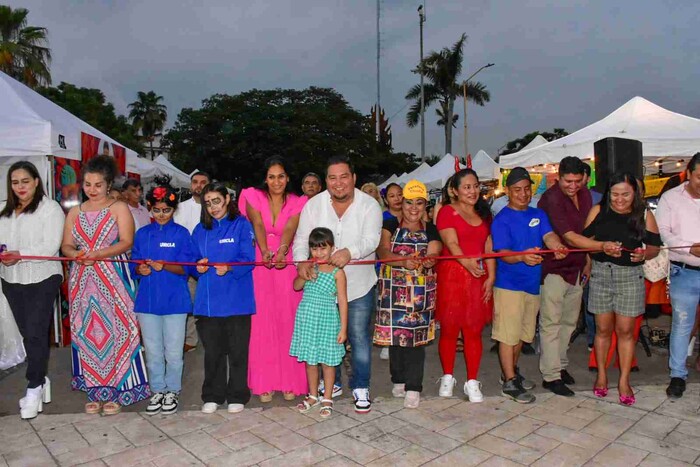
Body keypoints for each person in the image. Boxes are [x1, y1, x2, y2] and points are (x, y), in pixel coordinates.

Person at [293, 155, 382, 413]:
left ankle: (361, 386)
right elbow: (301, 239)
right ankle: (334, 384)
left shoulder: (369, 205)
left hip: (358, 286)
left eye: (344, 177)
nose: (338, 183)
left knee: (358, 337)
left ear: (354, 178)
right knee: (326, 338)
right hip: (321, 290)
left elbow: (371, 240)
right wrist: (302, 262)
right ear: (326, 181)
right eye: (332, 178)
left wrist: (349, 252)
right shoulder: (314, 205)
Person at [61, 155, 149, 415]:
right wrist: (74, 254)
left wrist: (98, 254)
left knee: (119, 330)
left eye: (98, 184)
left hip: (114, 276)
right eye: (87, 184)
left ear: (108, 184)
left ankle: (120, 390)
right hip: (83, 280)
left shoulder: (118, 208)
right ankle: (94, 389)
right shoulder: (75, 211)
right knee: (88, 331)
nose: (92, 189)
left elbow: (127, 242)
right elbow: (66, 244)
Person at [582, 172, 660, 406]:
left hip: (630, 276)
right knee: (603, 329)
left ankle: (624, 380)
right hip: (601, 274)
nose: (619, 199)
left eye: (625, 194)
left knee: (626, 331)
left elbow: (655, 247)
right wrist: (602, 248)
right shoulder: (598, 211)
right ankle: (602, 375)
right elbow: (585, 243)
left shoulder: (644, 214)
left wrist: (643, 254)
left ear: (635, 193)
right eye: (614, 194)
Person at [491, 168, 567, 404]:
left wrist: (557, 246)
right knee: (507, 336)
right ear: (507, 192)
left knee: (523, 335)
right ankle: (509, 381)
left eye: (526, 189)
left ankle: (511, 372)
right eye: (517, 190)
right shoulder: (501, 219)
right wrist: (522, 256)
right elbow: (503, 254)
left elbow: (549, 236)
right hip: (509, 286)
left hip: (532, 285)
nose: (523, 194)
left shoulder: (538, 214)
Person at [239, 156, 308, 402]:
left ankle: (291, 382)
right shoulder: (251, 195)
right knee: (262, 323)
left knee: (289, 320)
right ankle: (263, 382)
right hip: (261, 262)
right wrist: (265, 248)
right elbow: (257, 222)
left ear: (288, 178)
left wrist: (282, 249)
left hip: (285, 262)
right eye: (271, 176)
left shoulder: (299, 201)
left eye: (281, 176)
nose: (276, 181)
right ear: (265, 179)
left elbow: (290, 228)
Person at [0, 161, 64, 420]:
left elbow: (50, 245)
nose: (20, 187)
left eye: (25, 181)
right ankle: (41, 379)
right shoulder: (4, 211)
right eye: (15, 182)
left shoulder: (51, 209)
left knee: (37, 333)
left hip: (43, 277)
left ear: (37, 181)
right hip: (11, 278)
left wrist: (20, 255)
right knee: (29, 335)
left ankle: (34, 385)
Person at [536, 157, 602, 396]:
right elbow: (571, 237)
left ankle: (560, 366)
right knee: (551, 322)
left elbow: (587, 232)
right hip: (553, 269)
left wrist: (588, 260)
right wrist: (602, 247)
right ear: (558, 177)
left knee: (569, 323)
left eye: (577, 181)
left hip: (576, 268)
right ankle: (551, 375)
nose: (573, 186)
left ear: (584, 178)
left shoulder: (585, 195)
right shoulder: (551, 199)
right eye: (568, 181)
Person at [131, 186, 198, 416]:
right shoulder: (141, 234)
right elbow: (133, 266)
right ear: (150, 207)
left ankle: (173, 390)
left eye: (167, 210)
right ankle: (157, 389)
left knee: (173, 350)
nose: (161, 214)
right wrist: (140, 269)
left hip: (175, 301)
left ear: (173, 210)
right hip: (147, 302)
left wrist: (165, 266)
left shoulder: (181, 234)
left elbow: (189, 269)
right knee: (152, 350)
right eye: (157, 210)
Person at [374, 180, 441, 408]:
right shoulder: (390, 225)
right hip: (392, 293)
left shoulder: (431, 229)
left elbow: (435, 250)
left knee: (416, 342)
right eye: (409, 202)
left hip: (421, 293)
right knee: (395, 339)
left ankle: (414, 387)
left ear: (425, 205)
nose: (414, 208)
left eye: (419, 203)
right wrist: (402, 261)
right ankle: (398, 379)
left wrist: (428, 259)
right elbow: (383, 251)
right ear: (401, 203)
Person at [192, 182, 256, 414]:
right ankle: (213, 395)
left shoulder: (241, 225)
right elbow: (191, 261)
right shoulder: (199, 230)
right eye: (208, 203)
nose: (212, 207)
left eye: (216, 201)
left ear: (227, 200)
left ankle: (237, 394)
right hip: (208, 302)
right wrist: (197, 267)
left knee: (238, 351)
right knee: (213, 353)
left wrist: (229, 267)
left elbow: (248, 258)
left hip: (237, 299)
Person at [436, 169, 495, 403]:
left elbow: (489, 248)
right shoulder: (447, 212)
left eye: (475, 186)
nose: (472, 191)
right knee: (450, 329)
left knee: (473, 331)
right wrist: (467, 262)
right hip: (453, 276)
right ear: (455, 190)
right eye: (467, 187)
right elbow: (451, 243)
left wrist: (491, 277)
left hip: (478, 276)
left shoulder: (484, 214)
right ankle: (447, 377)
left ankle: (472, 381)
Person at [290, 227, 348, 418]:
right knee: (310, 361)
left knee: (328, 362)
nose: (319, 253)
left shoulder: (338, 272)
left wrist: (343, 328)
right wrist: (303, 274)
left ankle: (327, 398)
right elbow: (296, 286)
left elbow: (342, 301)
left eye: (323, 248)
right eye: (314, 249)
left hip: (327, 320)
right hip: (307, 319)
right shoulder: (309, 267)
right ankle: (313, 395)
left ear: (332, 248)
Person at [657, 153, 700, 399]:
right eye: (699, 177)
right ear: (688, 174)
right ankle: (677, 374)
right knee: (682, 325)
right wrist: (689, 247)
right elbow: (664, 234)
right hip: (685, 271)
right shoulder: (671, 198)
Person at [174, 171, 211, 353]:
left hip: (211, 264)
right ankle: (190, 339)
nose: (199, 185)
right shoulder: (179, 208)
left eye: (203, 182)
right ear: (191, 185)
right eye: (195, 182)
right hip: (187, 264)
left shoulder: (214, 208)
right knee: (189, 303)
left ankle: (211, 338)